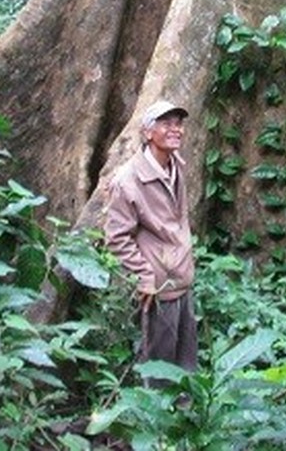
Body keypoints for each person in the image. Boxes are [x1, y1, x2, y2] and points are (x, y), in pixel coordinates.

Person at [103, 100, 198, 381]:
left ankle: (185, 417)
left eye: (178, 124)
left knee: (186, 362)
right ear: (148, 132)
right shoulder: (128, 181)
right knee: (159, 367)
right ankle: (158, 422)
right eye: (166, 124)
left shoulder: (176, 165)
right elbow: (117, 238)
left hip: (183, 280)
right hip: (158, 289)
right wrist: (144, 275)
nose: (176, 130)